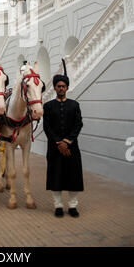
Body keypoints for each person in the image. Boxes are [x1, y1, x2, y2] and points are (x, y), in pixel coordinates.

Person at [43, 68, 84, 218]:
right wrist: (59, 143)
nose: (61, 88)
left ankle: (73, 206)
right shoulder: (47, 106)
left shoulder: (74, 105)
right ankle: (58, 206)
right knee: (56, 176)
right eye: (58, 86)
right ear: (54, 88)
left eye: (63, 86)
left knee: (73, 176)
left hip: (72, 148)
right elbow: (47, 127)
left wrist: (67, 142)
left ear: (67, 88)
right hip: (54, 148)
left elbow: (78, 125)